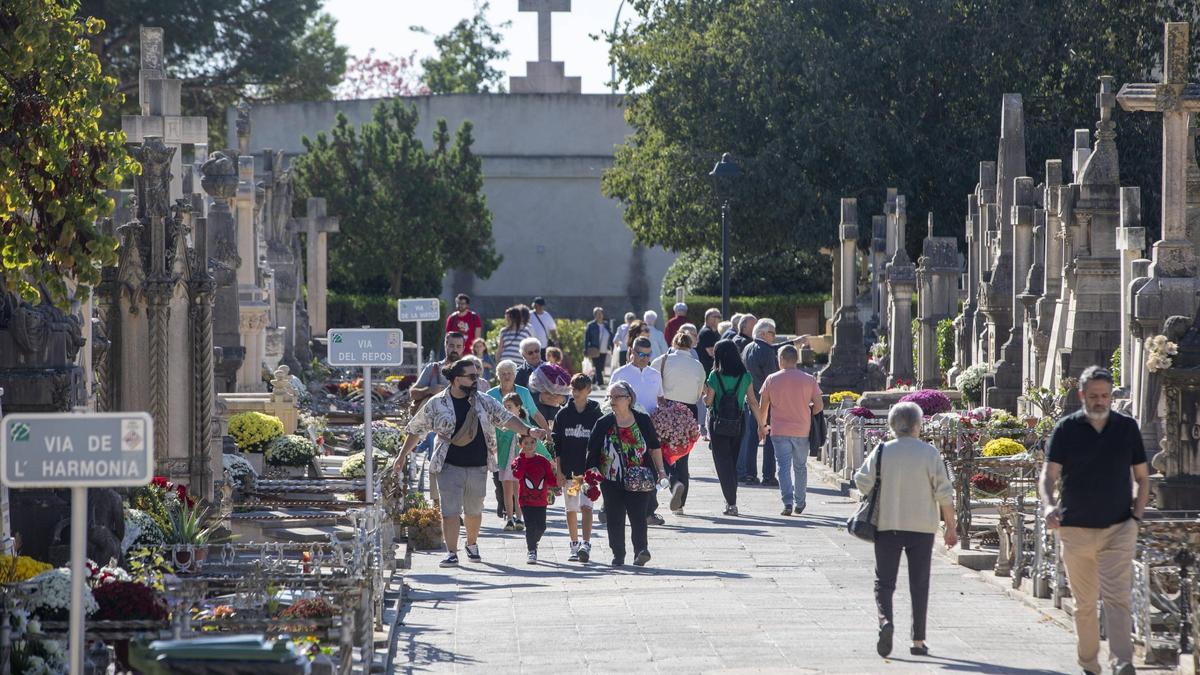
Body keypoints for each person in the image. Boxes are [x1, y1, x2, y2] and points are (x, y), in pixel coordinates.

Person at [1039, 366, 1148, 675]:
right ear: (1081, 395)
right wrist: (1048, 506)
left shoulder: (1126, 428)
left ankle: (1122, 663)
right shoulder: (1066, 429)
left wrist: (1135, 518)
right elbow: (1048, 475)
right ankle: (1089, 665)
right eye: (1094, 396)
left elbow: (1142, 477)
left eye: (1105, 396)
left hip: (1118, 528)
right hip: (1075, 530)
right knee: (1085, 603)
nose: (1100, 402)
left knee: (1117, 599)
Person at [397, 358, 550, 568]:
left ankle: (471, 543)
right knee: (449, 511)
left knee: (474, 511)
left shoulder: (483, 401)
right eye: (471, 377)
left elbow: (506, 418)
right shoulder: (438, 403)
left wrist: (529, 430)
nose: (475, 380)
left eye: (476, 376)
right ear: (456, 379)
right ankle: (452, 552)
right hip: (448, 465)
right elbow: (416, 430)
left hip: (478, 466)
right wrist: (402, 455)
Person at [854, 401, 957, 659]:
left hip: (888, 524)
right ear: (916, 425)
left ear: (892, 425)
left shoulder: (881, 451)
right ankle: (918, 641)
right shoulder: (929, 453)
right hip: (922, 527)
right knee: (919, 583)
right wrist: (951, 527)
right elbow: (944, 492)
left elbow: (861, 482)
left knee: (884, 582)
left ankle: (885, 621)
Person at [585, 381, 668, 567]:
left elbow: (654, 447)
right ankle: (618, 554)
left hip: (639, 478)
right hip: (611, 479)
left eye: (617, 397)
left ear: (628, 399)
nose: (612, 400)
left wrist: (661, 472)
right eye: (610, 397)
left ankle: (641, 550)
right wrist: (591, 475)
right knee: (614, 517)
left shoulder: (642, 420)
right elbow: (592, 451)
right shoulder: (603, 423)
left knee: (638, 516)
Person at [757, 344, 823, 515]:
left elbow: (763, 407)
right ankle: (800, 501)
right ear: (797, 359)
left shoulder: (771, 379)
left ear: (781, 360)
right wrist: (807, 412)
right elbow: (819, 406)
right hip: (802, 429)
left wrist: (762, 426)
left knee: (783, 467)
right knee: (800, 466)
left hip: (779, 429)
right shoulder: (809, 379)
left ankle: (787, 502)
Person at [703, 339, 763, 516]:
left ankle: (731, 502)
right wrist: (761, 424)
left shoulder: (715, 376)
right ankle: (731, 499)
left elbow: (709, 401)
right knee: (733, 460)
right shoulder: (745, 376)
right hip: (739, 421)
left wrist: (704, 398)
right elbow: (752, 401)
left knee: (723, 464)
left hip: (718, 423)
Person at [488, 360, 550, 522]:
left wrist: (547, 432)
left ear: (515, 375)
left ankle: (518, 514)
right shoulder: (491, 394)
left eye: (509, 373)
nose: (507, 377)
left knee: (519, 480)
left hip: (522, 443)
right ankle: (507, 512)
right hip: (500, 444)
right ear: (498, 376)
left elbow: (535, 414)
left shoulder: (523, 392)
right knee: (502, 482)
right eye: (503, 374)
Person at [651, 332, 706, 515]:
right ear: (690, 346)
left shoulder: (663, 360)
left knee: (662, 453)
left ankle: (667, 485)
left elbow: (652, 381)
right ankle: (680, 502)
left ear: (673, 343)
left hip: (666, 409)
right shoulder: (697, 365)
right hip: (689, 411)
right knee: (683, 457)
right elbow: (699, 394)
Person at [554, 374, 603, 562]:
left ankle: (586, 542)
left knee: (587, 507)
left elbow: (601, 444)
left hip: (588, 473)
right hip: (572, 473)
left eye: (579, 390)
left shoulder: (596, 415)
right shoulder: (563, 414)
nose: (575, 393)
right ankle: (574, 544)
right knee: (572, 508)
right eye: (573, 389)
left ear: (588, 391)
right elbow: (557, 445)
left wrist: (599, 470)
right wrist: (559, 471)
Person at [740, 318, 779, 486]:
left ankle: (750, 473)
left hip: (750, 398)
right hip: (766, 400)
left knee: (751, 437)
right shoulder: (767, 351)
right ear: (763, 333)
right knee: (769, 437)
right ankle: (768, 475)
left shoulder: (747, 348)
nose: (774, 337)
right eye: (772, 333)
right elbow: (772, 379)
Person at [510, 433, 558, 564]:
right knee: (530, 526)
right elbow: (518, 474)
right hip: (525, 500)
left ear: (536, 443)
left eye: (532, 442)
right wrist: (522, 458)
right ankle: (531, 550)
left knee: (542, 527)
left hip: (541, 500)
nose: (529, 446)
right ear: (520, 445)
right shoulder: (518, 461)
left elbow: (550, 478)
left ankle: (533, 541)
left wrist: (558, 483)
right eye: (526, 443)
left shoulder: (542, 460)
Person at [410, 332, 465, 409]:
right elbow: (413, 393)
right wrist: (429, 390)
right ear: (445, 346)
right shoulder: (432, 368)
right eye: (451, 346)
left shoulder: (468, 370)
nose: (455, 349)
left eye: (458, 346)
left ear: (463, 348)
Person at [585, 307, 611, 386]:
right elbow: (587, 338)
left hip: (604, 349)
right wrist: (586, 349)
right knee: (598, 367)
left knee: (600, 367)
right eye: (597, 314)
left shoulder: (606, 324)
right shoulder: (591, 325)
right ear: (594, 315)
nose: (599, 315)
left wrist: (611, 346)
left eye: (600, 313)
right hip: (594, 349)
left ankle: (593, 382)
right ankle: (601, 383)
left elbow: (610, 335)